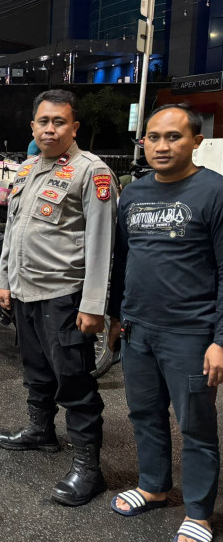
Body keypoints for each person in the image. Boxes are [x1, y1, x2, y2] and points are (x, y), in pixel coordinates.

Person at [0, 89, 116, 507]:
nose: (50, 129)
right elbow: (14, 230)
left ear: (74, 127)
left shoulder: (91, 172)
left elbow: (102, 244)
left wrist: (93, 304)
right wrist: (3, 279)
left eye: (59, 122)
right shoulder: (27, 169)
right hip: (25, 292)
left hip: (65, 296)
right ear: (32, 127)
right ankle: (41, 431)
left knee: (75, 383)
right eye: (43, 122)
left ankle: (89, 469)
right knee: (36, 370)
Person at [108, 104, 223, 542]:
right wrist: (117, 316)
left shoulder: (214, 192)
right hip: (139, 329)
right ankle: (154, 486)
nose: (161, 145)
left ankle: (198, 512)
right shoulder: (134, 193)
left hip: (191, 335)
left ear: (196, 141)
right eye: (153, 137)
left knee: (196, 425)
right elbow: (123, 261)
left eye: (173, 137)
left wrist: (220, 340)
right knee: (144, 414)